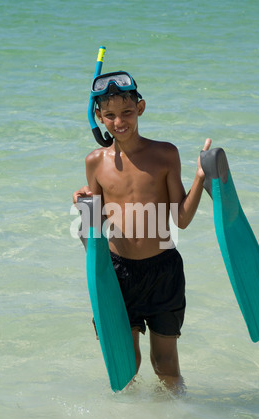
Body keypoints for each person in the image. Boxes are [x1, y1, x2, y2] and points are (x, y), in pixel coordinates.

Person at [73, 72, 212, 389]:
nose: (119, 121)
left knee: (166, 364)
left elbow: (181, 219)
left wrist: (200, 177)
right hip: (116, 272)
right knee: (126, 364)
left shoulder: (164, 154)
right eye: (110, 115)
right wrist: (82, 201)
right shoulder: (95, 161)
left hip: (163, 270)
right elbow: (94, 225)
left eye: (127, 112)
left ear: (141, 108)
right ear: (99, 116)